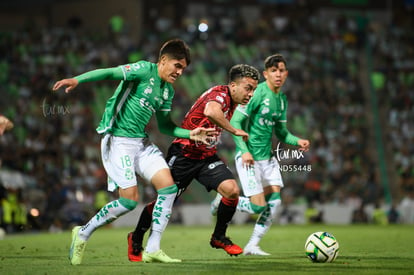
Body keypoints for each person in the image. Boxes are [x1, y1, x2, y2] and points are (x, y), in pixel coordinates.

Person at [52, 39, 216, 265]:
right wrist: (77, 79)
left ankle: (152, 248)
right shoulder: (142, 69)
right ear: (163, 60)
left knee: (169, 188)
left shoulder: (167, 91)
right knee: (129, 202)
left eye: (183, 69)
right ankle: (82, 233)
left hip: (141, 143)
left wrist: (191, 134)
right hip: (118, 141)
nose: (179, 72)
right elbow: (109, 73)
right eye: (177, 66)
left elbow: (166, 126)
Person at [127, 64, 260, 262]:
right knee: (164, 202)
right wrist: (233, 130)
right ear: (233, 85)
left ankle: (219, 237)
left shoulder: (233, 101)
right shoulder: (220, 95)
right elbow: (211, 111)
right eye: (248, 88)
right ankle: (136, 237)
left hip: (206, 157)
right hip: (184, 154)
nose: (251, 94)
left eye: (254, 89)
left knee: (231, 190)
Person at [212, 54, 310, 256]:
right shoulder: (256, 93)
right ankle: (223, 199)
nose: (278, 74)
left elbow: (282, 133)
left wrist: (296, 140)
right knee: (258, 207)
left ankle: (252, 245)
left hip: (268, 159)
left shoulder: (281, 100)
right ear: (266, 74)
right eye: (273, 70)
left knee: (275, 202)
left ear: (286, 74)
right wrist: (244, 150)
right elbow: (236, 123)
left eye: (281, 70)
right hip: (250, 157)